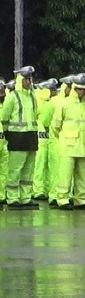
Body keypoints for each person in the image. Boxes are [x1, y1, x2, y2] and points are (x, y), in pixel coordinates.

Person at [1, 66, 40, 210]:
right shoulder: (13, 96)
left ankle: (26, 198)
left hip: (31, 136)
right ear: (20, 80)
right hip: (17, 137)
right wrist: (7, 135)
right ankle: (12, 198)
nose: (29, 82)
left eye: (30, 79)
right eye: (26, 79)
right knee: (15, 169)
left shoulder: (32, 96)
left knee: (28, 170)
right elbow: (4, 118)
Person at [51, 73, 85, 210]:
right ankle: (63, 199)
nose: (82, 91)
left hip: (82, 145)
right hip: (68, 145)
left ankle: (81, 199)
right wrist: (64, 138)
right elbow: (55, 126)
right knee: (65, 175)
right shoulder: (64, 103)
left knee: (82, 176)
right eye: (80, 89)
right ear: (75, 88)